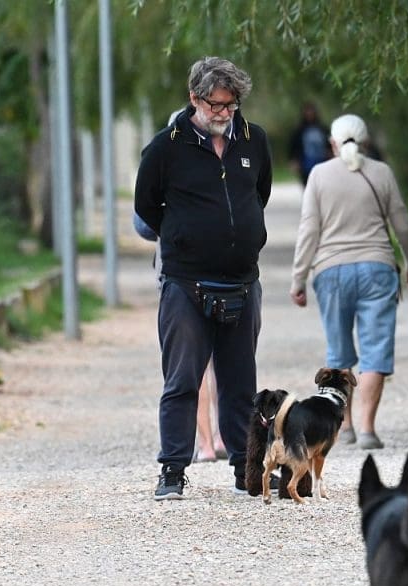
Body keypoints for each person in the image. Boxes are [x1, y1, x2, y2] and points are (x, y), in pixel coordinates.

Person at [134, 56, 273, 500]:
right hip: (186, 283)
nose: (224, 113)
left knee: (240, 383)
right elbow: (145, 205)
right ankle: (173, 470)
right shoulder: (166, 147)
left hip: (242, 281)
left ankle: (246, 469)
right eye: (216, 104)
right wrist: (184, 235)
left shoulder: (253, 140)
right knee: (182, 380)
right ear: (194, 98)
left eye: (231, 105)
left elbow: (261, 193)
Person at [290, 114, 408, 451]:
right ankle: (367, 429)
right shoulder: (382, 172)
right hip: (378, 269)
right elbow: (402, 224)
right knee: (375, 350)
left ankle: (344, 425)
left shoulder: (319, 175)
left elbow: (309, 229)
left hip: (331, 272)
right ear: (365, 143)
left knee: (338, 349)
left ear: (332, 144)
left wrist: (299, 278)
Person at [133, 208, 226, 464]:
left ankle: (206, 445)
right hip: (223, 266)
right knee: (221, 357)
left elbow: (143, 224)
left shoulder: (166, 180)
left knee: (195, 362)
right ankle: (224, 436)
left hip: (178, 273)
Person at [287, 102, 331, 186]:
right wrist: (293, 160)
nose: (309, 114)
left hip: (322, 162)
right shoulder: (299, 130)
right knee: (307, 186)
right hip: (305, 164)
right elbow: (293, 146)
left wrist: (330, 153)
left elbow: (329, 143)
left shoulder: (322, 129)